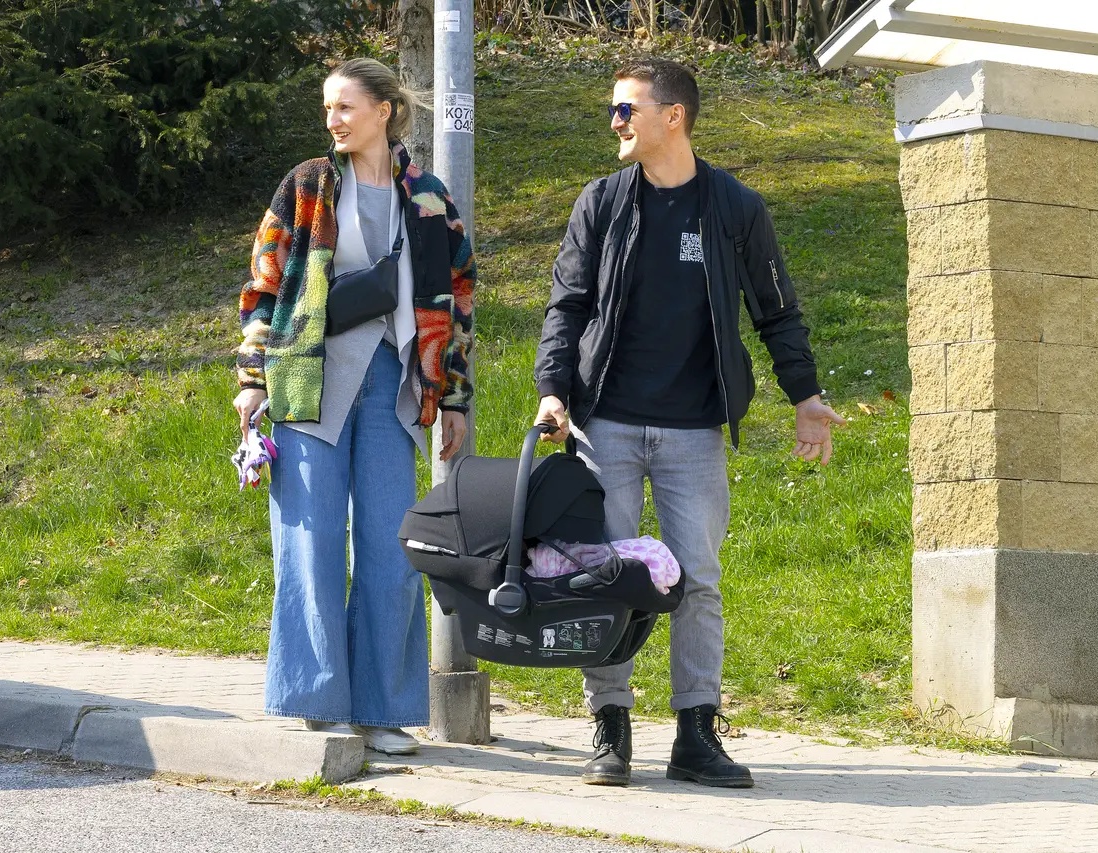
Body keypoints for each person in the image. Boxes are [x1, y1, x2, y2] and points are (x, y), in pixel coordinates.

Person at [533, 58, 844, 788]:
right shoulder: (602, 202)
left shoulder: (734, 208)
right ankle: (610, 726)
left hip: (693, 429)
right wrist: (552, 391)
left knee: (697, 580)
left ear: (672, 116)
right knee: (606, 572)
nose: (614, 121)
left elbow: (777, 310)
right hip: (605, 421)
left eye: (626, 109)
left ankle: (696, 733)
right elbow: (567, 305)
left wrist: (804, 395)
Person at [233, 58, 475, 755]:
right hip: (309, 381)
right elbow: (264, 285)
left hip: (393, 388)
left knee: (390, 553)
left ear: (383, 111)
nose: (332, 119)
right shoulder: (308, 184)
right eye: (327, 108)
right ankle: (319, 701)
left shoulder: (428, 196)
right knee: (309, 546)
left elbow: (457, 296)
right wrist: (253, 377)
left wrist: (452, 395)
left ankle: (381, 709)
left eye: (344, 106)